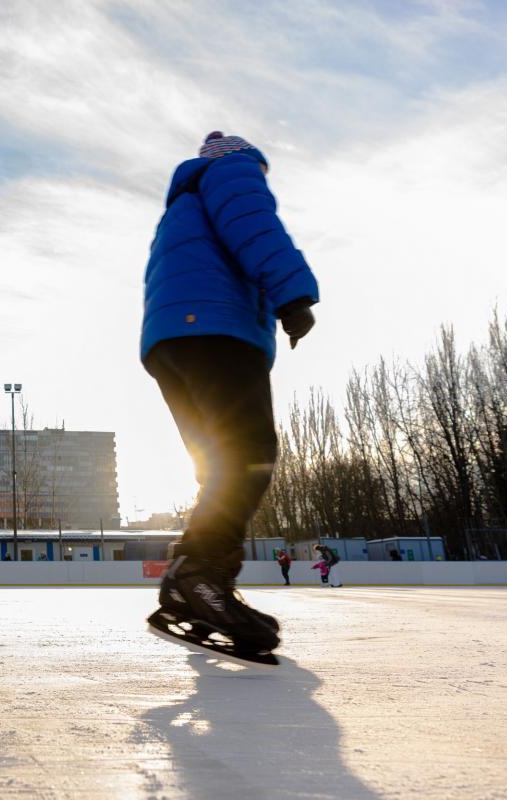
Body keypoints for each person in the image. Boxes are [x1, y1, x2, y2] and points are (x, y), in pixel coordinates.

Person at [143, 131, 320, 666]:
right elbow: (254, 226)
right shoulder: (230, 171)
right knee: (249, 454)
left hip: (171, 340)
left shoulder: (180, 205)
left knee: (221, 465)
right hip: (216, 329)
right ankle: (202, 576)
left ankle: (190, 581)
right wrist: (293, 294)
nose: (262, 180)